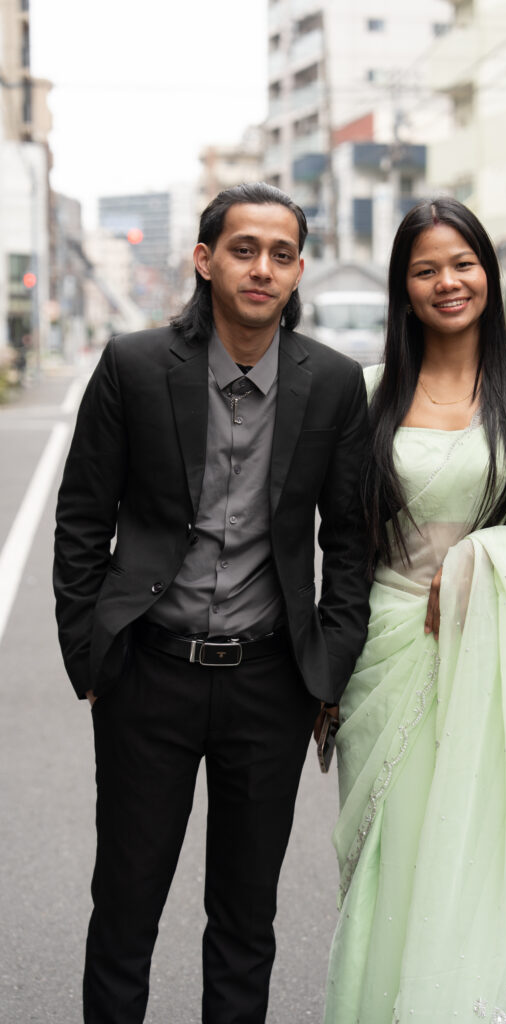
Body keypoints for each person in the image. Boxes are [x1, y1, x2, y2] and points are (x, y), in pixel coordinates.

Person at [53, 182, 370, 1024]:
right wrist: (90, 656)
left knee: (244, 918)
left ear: (297, 271)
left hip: (270, 683)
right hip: (148, 674)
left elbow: (350, 539)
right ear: (205, 259)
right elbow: (82, 517)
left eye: (281, 254)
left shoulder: (333, 383)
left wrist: (327, 671)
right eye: (243, 249)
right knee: (125, 908)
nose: (262, 268)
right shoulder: (133, 365)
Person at [323, 198, 506, 1024]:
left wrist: (477, 564)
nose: (447, 282)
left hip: (481, 653)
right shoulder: (367, 393)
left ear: (487, 273)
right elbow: (339, 540)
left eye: (462, 264)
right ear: (402, 288)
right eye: (425, 269)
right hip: (382, 651)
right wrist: (323, 670)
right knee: (387, 859)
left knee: (463, 855)